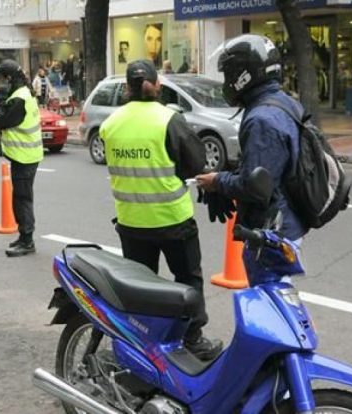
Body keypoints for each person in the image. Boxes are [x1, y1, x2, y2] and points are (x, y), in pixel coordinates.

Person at [99, 59, 222, 361]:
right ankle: (192, 340)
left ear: (127, 88)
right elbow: (194, 164)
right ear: (157, 85)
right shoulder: (169, 119)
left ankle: (143, 343)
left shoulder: (110, 124)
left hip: (131, 223)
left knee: (141, 287)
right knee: (187, 280)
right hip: (173, 221)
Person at [196, 34, 307, 256]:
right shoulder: (283, 102)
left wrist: (218, 181)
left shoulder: (261, 120)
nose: (227, 81)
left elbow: (256, 187)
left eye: (228, 74)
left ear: (243, 74)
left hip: (272, 231)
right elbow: (267, 166)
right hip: (288, 219)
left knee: (266, 290)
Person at [0, 59, 44, 257]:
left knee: (22, 200)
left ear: (9, 78)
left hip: (24, 156)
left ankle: (27, 240)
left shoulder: (18, 98)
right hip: (27, 155)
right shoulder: (23, 92)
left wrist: (0, 97)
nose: (1, 83)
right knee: (21, 198)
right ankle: (24, 237)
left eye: (2, 79)